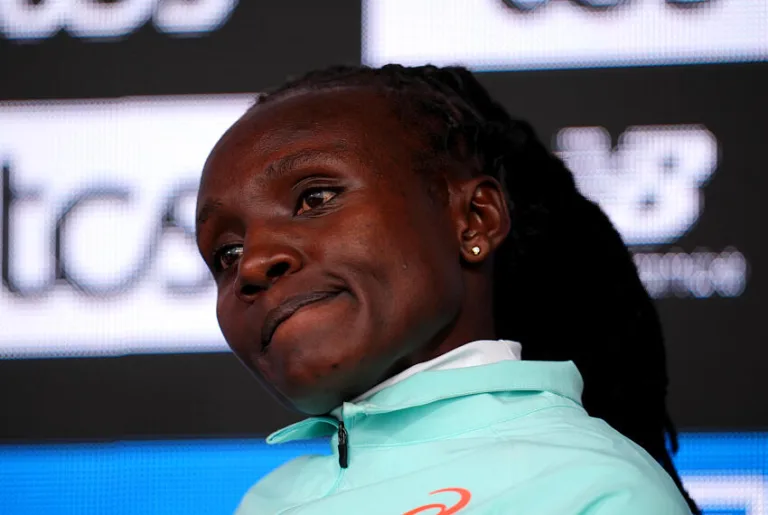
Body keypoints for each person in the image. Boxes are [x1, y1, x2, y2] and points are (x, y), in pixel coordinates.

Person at [195, 64, 699, 514]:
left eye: (315, 198)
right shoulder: (264, 503)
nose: (252, 264)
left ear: (474, 220)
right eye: (228, 254)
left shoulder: (594, 488)